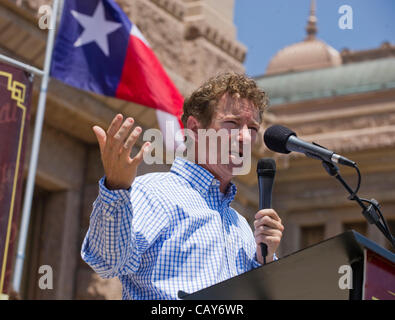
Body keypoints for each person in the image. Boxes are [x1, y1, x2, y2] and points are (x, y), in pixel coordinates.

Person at [81, 73, 284, 300]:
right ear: (195, 129)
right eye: (232, 124)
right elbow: (106, 263)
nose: (245, 138)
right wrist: (116, 187)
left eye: (253, 129)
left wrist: (264, 260)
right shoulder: (153, 193)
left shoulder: (242, 228)